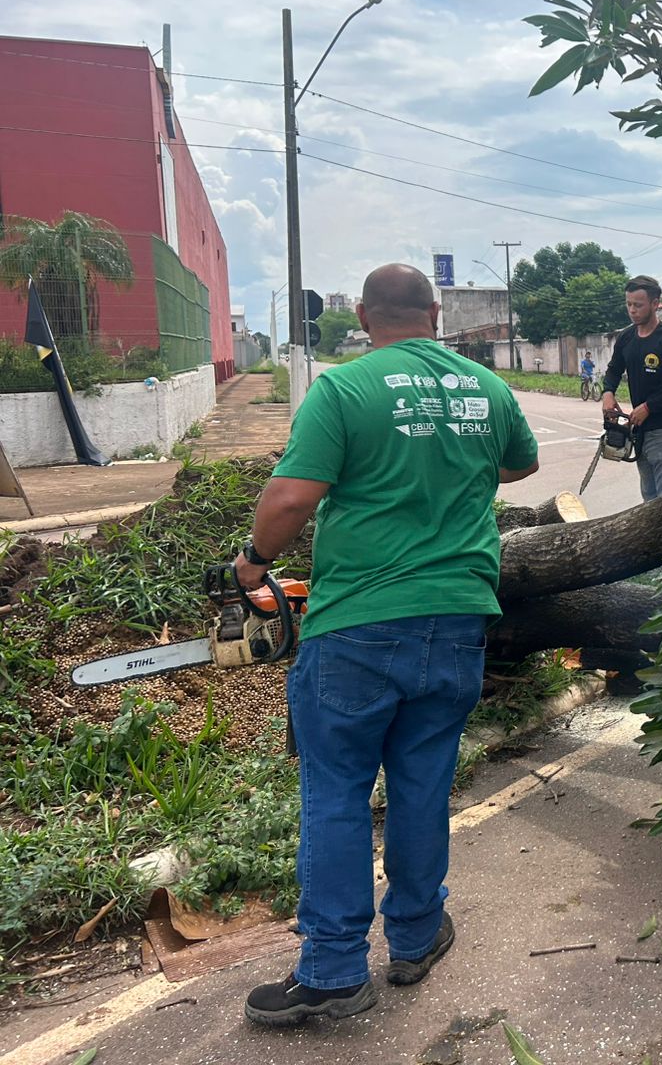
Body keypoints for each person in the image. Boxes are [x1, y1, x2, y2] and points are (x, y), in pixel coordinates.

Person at [238, 263, 539, 1026]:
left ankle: (336, 972)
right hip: (459, 622)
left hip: (359, 628)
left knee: (337, 791)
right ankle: (413, 934)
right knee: (420, 785)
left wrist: (254, 563)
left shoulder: (344, 388)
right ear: (435, 314)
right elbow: (520, 462)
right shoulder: (487, 389)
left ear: (367, 318)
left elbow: (293, 495)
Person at [602, 275, 662, 500]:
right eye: (629, 304)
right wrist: (607, 393)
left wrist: (649, 407)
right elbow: (614, 369)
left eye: (638, 305)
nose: (632, 310)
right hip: (641, 431)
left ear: (655, 304)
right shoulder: (626, 338)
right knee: (650, 500)